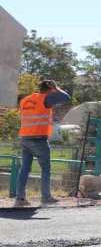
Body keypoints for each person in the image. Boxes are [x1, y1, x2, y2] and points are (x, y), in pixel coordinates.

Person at [14, 79, 71, 207]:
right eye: (52, 90)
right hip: (38, 139)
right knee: (45, 169)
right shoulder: (45, 99)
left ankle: (20, 199)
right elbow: (66, 97)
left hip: (24, 138)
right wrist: (57, 88)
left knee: (24, 169)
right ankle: (45, 197)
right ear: (49, 89)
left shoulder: (25, 100)